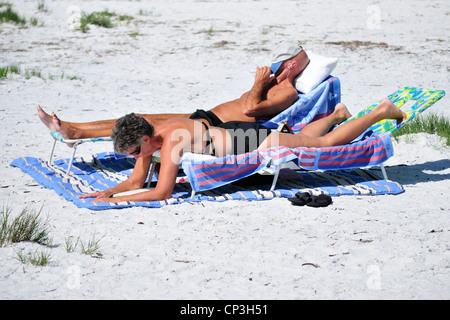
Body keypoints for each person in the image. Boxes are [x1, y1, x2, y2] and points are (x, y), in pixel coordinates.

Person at [79, 99, 405, 203]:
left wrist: (117, 199)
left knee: (321, 145)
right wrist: (105, 192)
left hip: (252, 142)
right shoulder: (148, 139)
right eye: (130, 156)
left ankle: (379, 111)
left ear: (146, 138)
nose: (137, 158)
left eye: (136, 151)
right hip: (228, 136)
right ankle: (336, 115)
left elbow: (162, 191)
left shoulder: (173, 137)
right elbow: (138, 182)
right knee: (304, 136)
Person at [37, 41, 309, 140]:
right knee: (141, 116)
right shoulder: (272, 83)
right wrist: (263, 83)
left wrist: (258, 83)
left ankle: (75, 132)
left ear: (292, 64)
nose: (272, 68)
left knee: (144, 125)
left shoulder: (288, 92)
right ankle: (73, 127)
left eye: (279, 64)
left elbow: (250, 109)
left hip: (215, 128)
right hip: (206, 115)